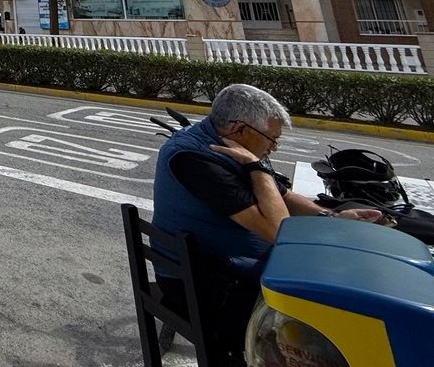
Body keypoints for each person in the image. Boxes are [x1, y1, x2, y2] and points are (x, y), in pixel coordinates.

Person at [152, 84, 381, 365]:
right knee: (313, 333)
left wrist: (331, 218)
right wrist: (256, 166)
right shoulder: (197, 159)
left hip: (237, 267)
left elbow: (281, 194)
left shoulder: (231, 145)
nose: (273, 146)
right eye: (271, 139)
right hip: (206, 283)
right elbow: (276, 230)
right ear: (241, 129)